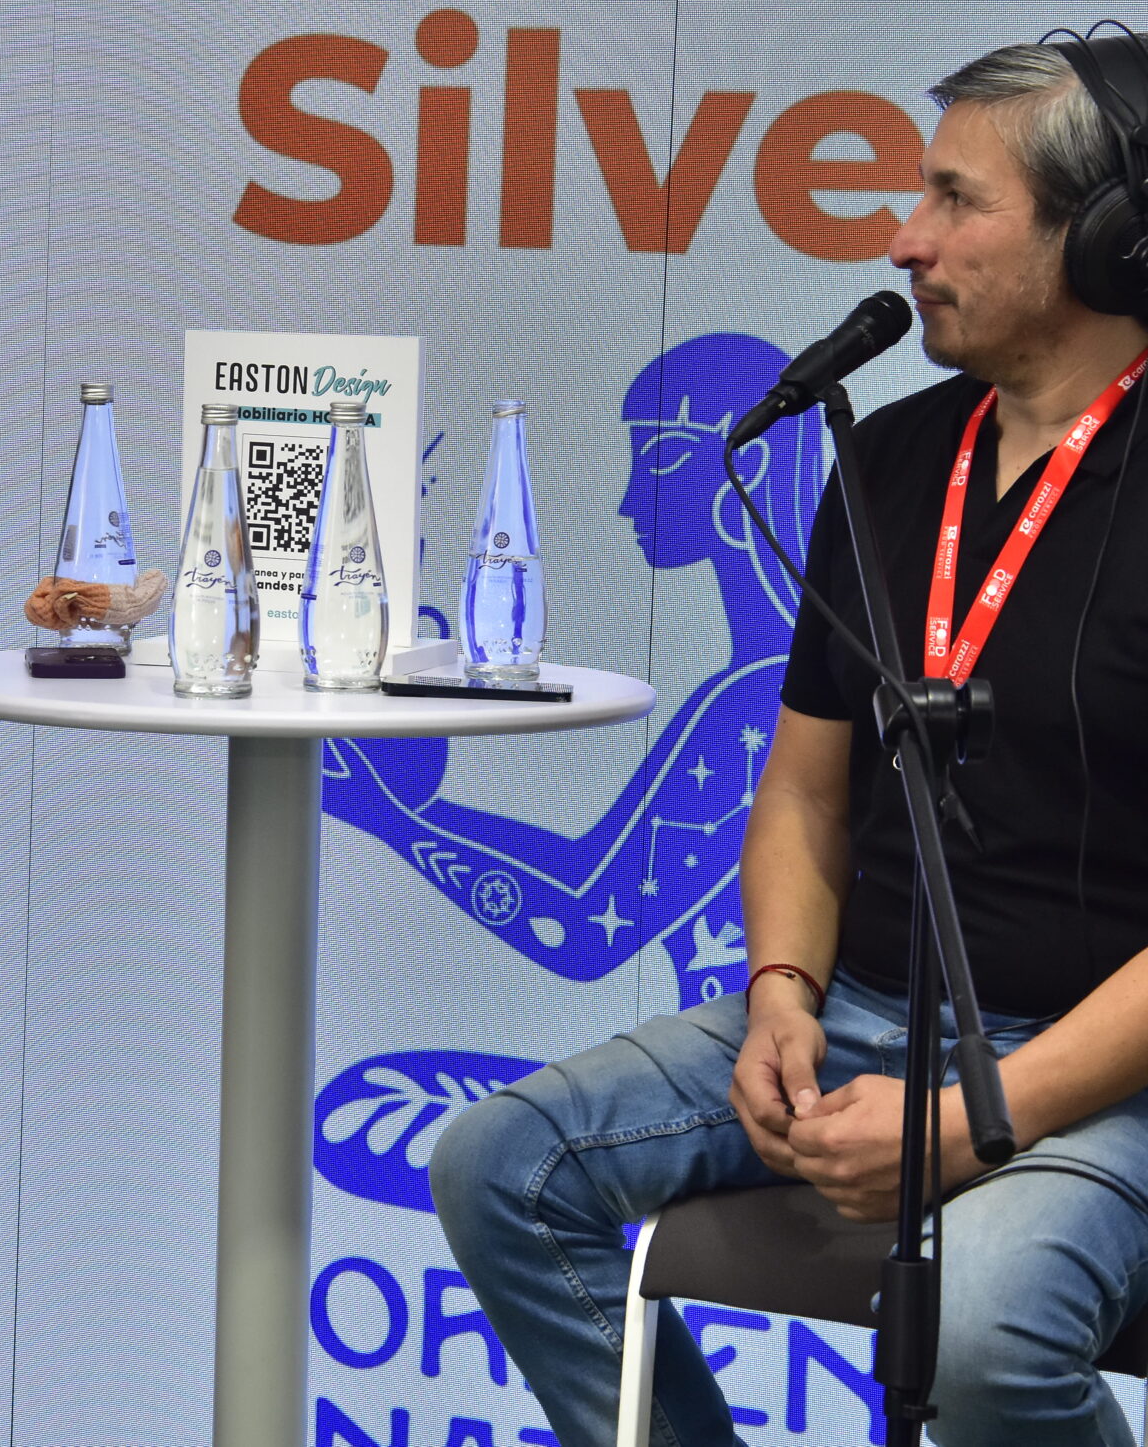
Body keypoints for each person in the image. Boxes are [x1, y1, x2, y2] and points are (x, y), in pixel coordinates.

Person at [427, 30, 1148, 1447]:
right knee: (501, 1165)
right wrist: (781, 994)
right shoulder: (887, 458)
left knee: (983, 1332)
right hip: (875, 1012)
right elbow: (806, 796)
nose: (902, 239)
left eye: (953, 199)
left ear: (1108, 240)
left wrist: (962, 1123)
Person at [322, 333, 832, 1001]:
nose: (628, 501)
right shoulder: (777, 671)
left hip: (753, 1053)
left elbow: (584, 925)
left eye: (660, 460)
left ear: (752, 465)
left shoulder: (764, 690)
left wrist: (384, 810)